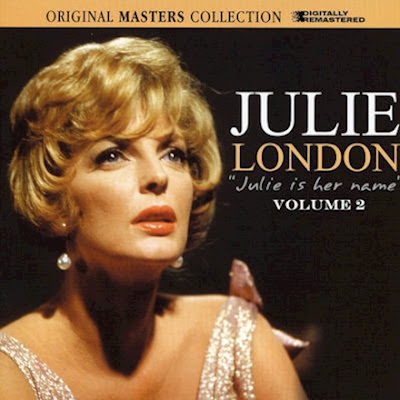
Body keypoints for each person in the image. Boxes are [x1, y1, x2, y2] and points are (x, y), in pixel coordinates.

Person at [0, 36, 307, 399]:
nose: (158, 176)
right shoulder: (9, 375)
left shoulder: (239, 339)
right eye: (112, 155)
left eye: (173, 154)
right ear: (55, 196)